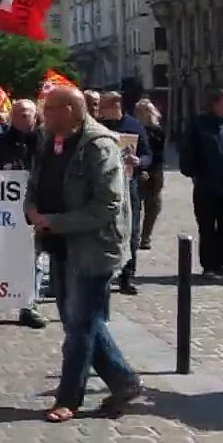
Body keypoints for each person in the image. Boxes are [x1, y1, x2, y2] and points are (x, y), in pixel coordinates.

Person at [30, 86, 140, 423]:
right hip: (60, 243)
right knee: (76, 318)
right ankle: (125, 381)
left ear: (70, 109)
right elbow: (37, 181)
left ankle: (69, 398)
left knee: (80, 326)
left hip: (94, 248)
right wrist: (31, 208)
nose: (43, 114)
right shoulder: (50, 139)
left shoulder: (99, 145)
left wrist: (57, 221)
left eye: (49, 109)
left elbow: (107, 204)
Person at [0, 98, 48, 329]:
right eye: (18, 114)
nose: (23, 117)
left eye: (27, 113)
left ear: (35, 115)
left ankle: (29, 305)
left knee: (36, 259)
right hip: (4, 212)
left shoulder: (47, 142)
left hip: (36, 209)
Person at [180, 88, 223, 279]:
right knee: (208, 228)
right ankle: (209, 266)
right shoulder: (198, 124)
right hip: (206, 186)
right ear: (215, 103)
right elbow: (187, 152)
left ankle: (222, 262)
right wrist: (193, 173)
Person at [96, 91, 151, 296]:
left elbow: (147, 155)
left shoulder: (134, 126)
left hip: (129, 186)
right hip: (102, 187)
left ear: (116, 105)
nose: (100, 110)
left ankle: (128, 275)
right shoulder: (98, 127)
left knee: (131, 231)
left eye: (103, 105)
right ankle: (103, 275)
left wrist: (140, 162)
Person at [135, 99, 166, 250]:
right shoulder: (134, 128)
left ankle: (146, 236)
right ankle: (134, 235)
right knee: (135, 203)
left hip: (155, 171)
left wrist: (150, 169)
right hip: (138, 169)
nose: (138, 114)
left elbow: (158, 153)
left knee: (153, 205)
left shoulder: (157, 130)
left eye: (141, 110)